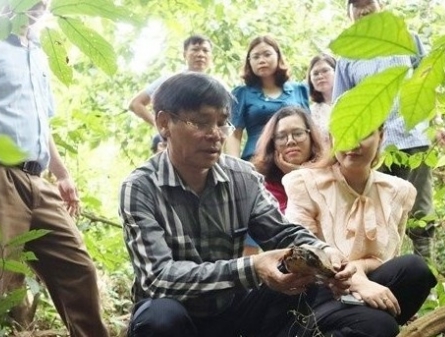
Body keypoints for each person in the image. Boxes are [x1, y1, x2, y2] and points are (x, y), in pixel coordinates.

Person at [119, 72, 356, 337]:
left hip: (232, 311)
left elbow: (281, 232)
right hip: (177, 316)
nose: (215, 135)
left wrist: (323, 252)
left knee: (298, 278)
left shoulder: (242, 177)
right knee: (160, 319)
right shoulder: (140, 187)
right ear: (164, 123)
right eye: (200, 123)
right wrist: (252, 267)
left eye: (222, 123)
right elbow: (158, 277)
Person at [0, 2, 108, 336]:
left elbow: (41, 124)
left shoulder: (39, 53)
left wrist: (63, 173)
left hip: (37, 181)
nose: (40, 3)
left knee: (78, 270)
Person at [283, 126, 437, 337]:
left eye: (363, 133)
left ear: (381, 136)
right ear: (332, 138)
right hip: (316, 296)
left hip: (366, 290)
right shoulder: (305, 183)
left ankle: (365, 324)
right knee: (382, 325)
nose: (353, 144)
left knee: (415, 269)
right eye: (346, 134)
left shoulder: (396, 191)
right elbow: (303, 254)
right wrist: (356, 282)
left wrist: (359, 274)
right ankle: (367, 326)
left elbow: (387, 259)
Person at [333, 0, 445, 259]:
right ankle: (386, 274)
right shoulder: (347, 58)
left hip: (413, 137)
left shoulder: (408, 40)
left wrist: (436, 123)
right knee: (376, 214)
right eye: (357, 6)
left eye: (368, 3)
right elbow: (341, 104)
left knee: (421, 210)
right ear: (349, 14)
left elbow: (425, 82)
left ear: (381, 7)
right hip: (373, 149)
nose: (363, 9)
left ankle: (427, 275)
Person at [226, 35, 310, 161]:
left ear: (278, 56)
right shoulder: (241, 93)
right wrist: (233, 165)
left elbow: (309, 129)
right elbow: (234, 134)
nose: (261, 60)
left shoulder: (299, 90)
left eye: (267, 54)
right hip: (257, 160)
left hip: (295, 159)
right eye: (256, 57)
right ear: (249, 61)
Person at [251, 106, 326, 213]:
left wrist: (299, 175)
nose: (290, 141)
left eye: (298, 134)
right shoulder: (262, 183)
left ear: (311, 136)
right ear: (272, 143)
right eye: (281, 136)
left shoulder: (329, 173)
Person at [128, 34, 213, 126]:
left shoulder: (217, 87)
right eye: (195, 50)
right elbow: (136, 104)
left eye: (205, 51)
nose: (200, 54)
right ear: (184, 54)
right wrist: (160, 126)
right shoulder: (171, 81)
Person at [307, 53, 336, 143]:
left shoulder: (352, 101)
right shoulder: (310, 112)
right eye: (315, 74)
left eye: (325, 70)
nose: (320, 76)